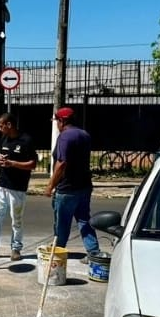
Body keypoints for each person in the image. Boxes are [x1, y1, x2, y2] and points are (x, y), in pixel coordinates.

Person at [0, 112, 38, 261]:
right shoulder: (4, 138)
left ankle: (16, 249)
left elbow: (32, 164)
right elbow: (0, 154)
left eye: (1, 126)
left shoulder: (26, 140)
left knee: (16, 219)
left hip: (17, 187)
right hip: (1, 184)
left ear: (9, 125)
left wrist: (13, 163)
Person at [44, 107, 100, 262]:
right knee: (84, 220)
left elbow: (61, 164)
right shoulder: (84, 135)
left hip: (67, 188)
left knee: (62, 224)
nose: (56, 125)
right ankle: (94, 252)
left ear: (62, 121)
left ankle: (58, 252)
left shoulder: (64, 137)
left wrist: (50, 186)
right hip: (84, 186)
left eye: (57, 121)